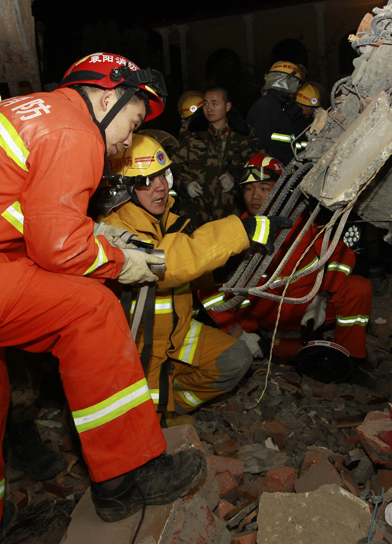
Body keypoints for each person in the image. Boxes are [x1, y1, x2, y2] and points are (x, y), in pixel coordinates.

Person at [0, 53, 205, 543]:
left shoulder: (19, 111)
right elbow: (59, 248)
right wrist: (119, 263)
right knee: (90, 310)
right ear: (109, 97)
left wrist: (95, 233)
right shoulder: (74, 131)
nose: (125, 144)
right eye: (133, 124)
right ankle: (126, 477)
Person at [100, 131, 287, 421]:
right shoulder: (112, 231)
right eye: (148, 181)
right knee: (133, 421)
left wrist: (218, 272)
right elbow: (165, 264)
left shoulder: (169, 221)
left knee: (234, 360)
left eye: (165, 176)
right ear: (122, 188)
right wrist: (241, 231)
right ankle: (155, 416)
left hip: (177, 331)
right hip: (135, 345)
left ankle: (172, 404)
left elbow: (187, 270)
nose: (161, 187)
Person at [202, 154, 372, 372]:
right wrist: (238, 331)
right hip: (269, 317)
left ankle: (352, 360)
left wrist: (322, 296)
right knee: (210, 280)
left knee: (358, 287)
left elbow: (341, 257)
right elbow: (206, 288)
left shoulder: (306, 221)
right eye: (249, 189)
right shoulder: (236, 233)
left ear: (281, 190)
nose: (255, 196)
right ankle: (265, 344)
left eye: (264, 188)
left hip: (311, 309)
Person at [170, 87, 261, 227]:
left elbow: (256, 167)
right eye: (205, 103)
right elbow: (174, 164)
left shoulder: (244, 135)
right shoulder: (191, 133)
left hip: (232, 211)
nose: (209, 109)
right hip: (196, 213)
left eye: (214, 103)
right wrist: (186, 183)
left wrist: (235, 178)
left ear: (227, 106)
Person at [246, 61, 308, 164]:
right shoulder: (266, 107)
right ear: (289, 83)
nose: (297, 89)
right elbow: (257, 146)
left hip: (288, 172)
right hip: (272, 173)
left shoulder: (287, 108)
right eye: (297, 84)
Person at [293, 81, 324, 156]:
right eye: (306, 107)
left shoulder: (312, 123)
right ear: (298, 105)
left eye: (312, 107)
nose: (310, 110)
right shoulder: (292, 122)